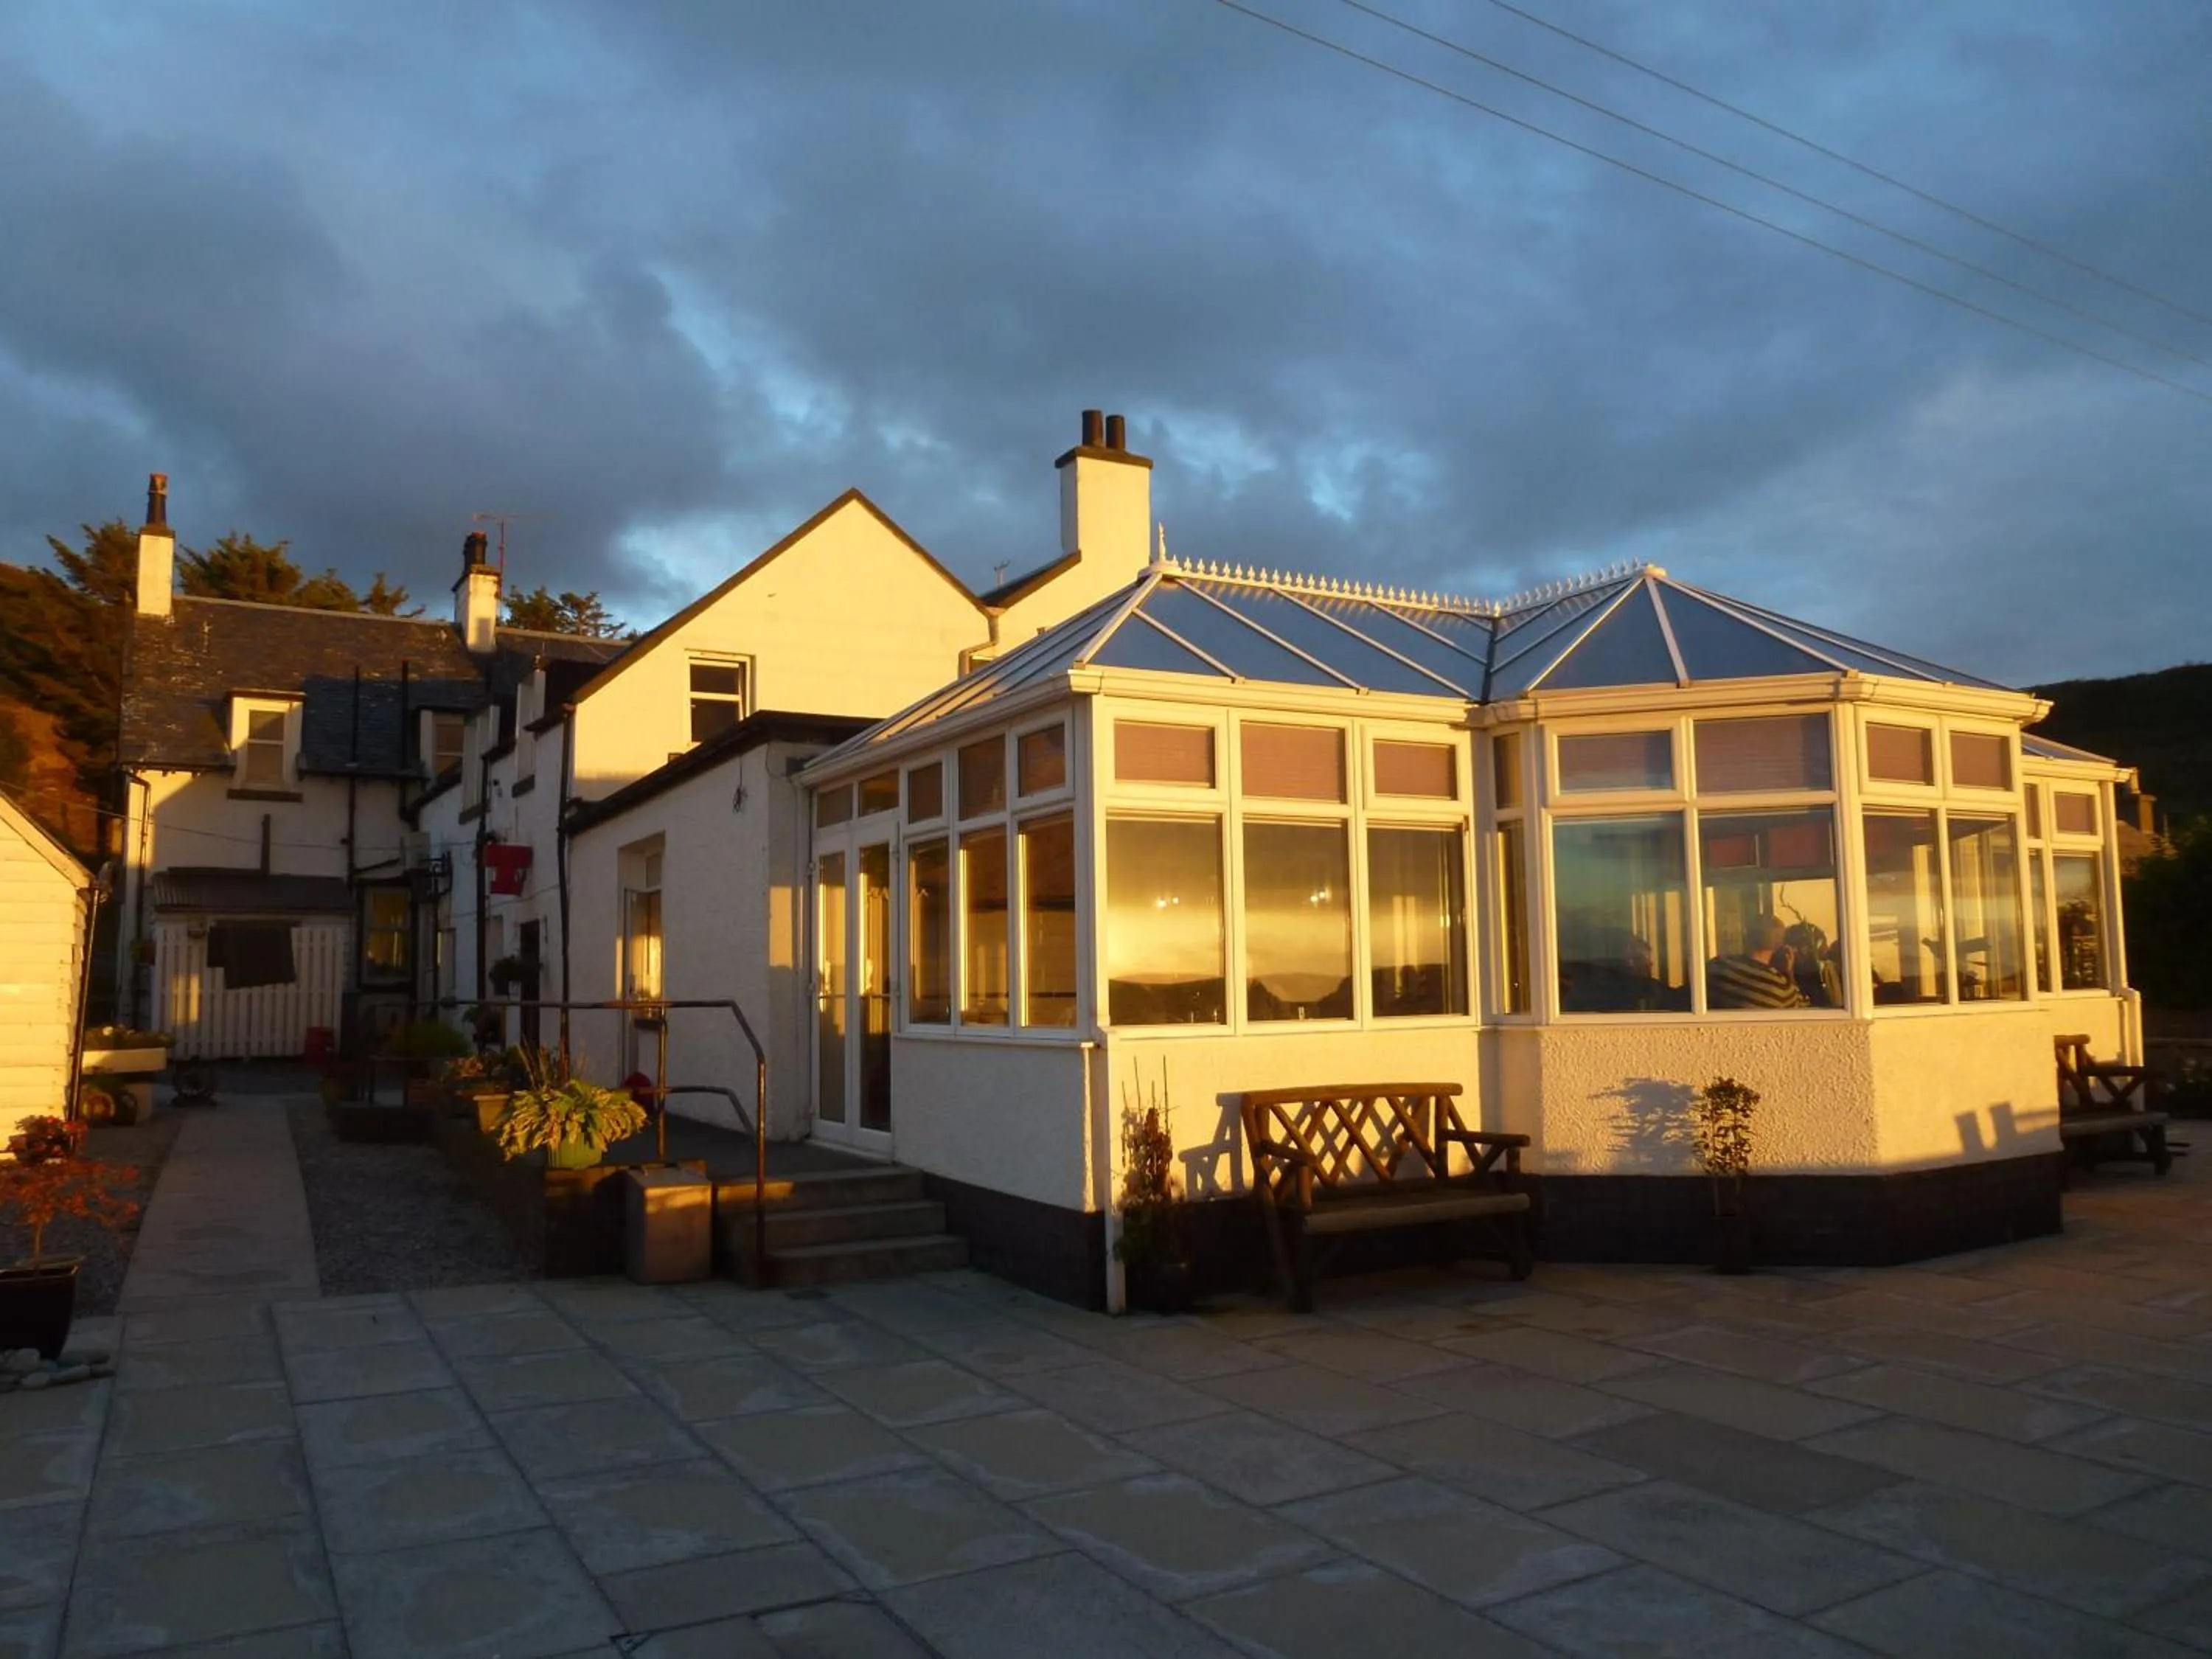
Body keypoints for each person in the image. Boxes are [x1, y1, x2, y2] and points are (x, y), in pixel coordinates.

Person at [1707, 915, 1809, 1009]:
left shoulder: (1717, 965)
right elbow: (1802, 1011)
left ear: (1746, 936)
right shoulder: (1781, 989)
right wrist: (1789, 974)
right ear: (1780, 947)